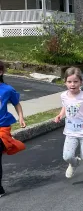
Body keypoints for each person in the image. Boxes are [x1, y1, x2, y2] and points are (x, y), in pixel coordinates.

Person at [54, 67, 83, 186]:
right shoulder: (63, 95)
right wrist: (60, 114)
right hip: (70, 131)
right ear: (65, 82)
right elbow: (65, 105)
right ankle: (74, 163)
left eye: (75, 81)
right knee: (67, 156)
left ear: (81, 82)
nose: (72, 84)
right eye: (69, 82)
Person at [0, 61, 26, 197]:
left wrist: (21, 117)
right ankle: (10, 142)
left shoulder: (7, 89)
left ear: (0, 72)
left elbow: (17, 104)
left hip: (2, 127)